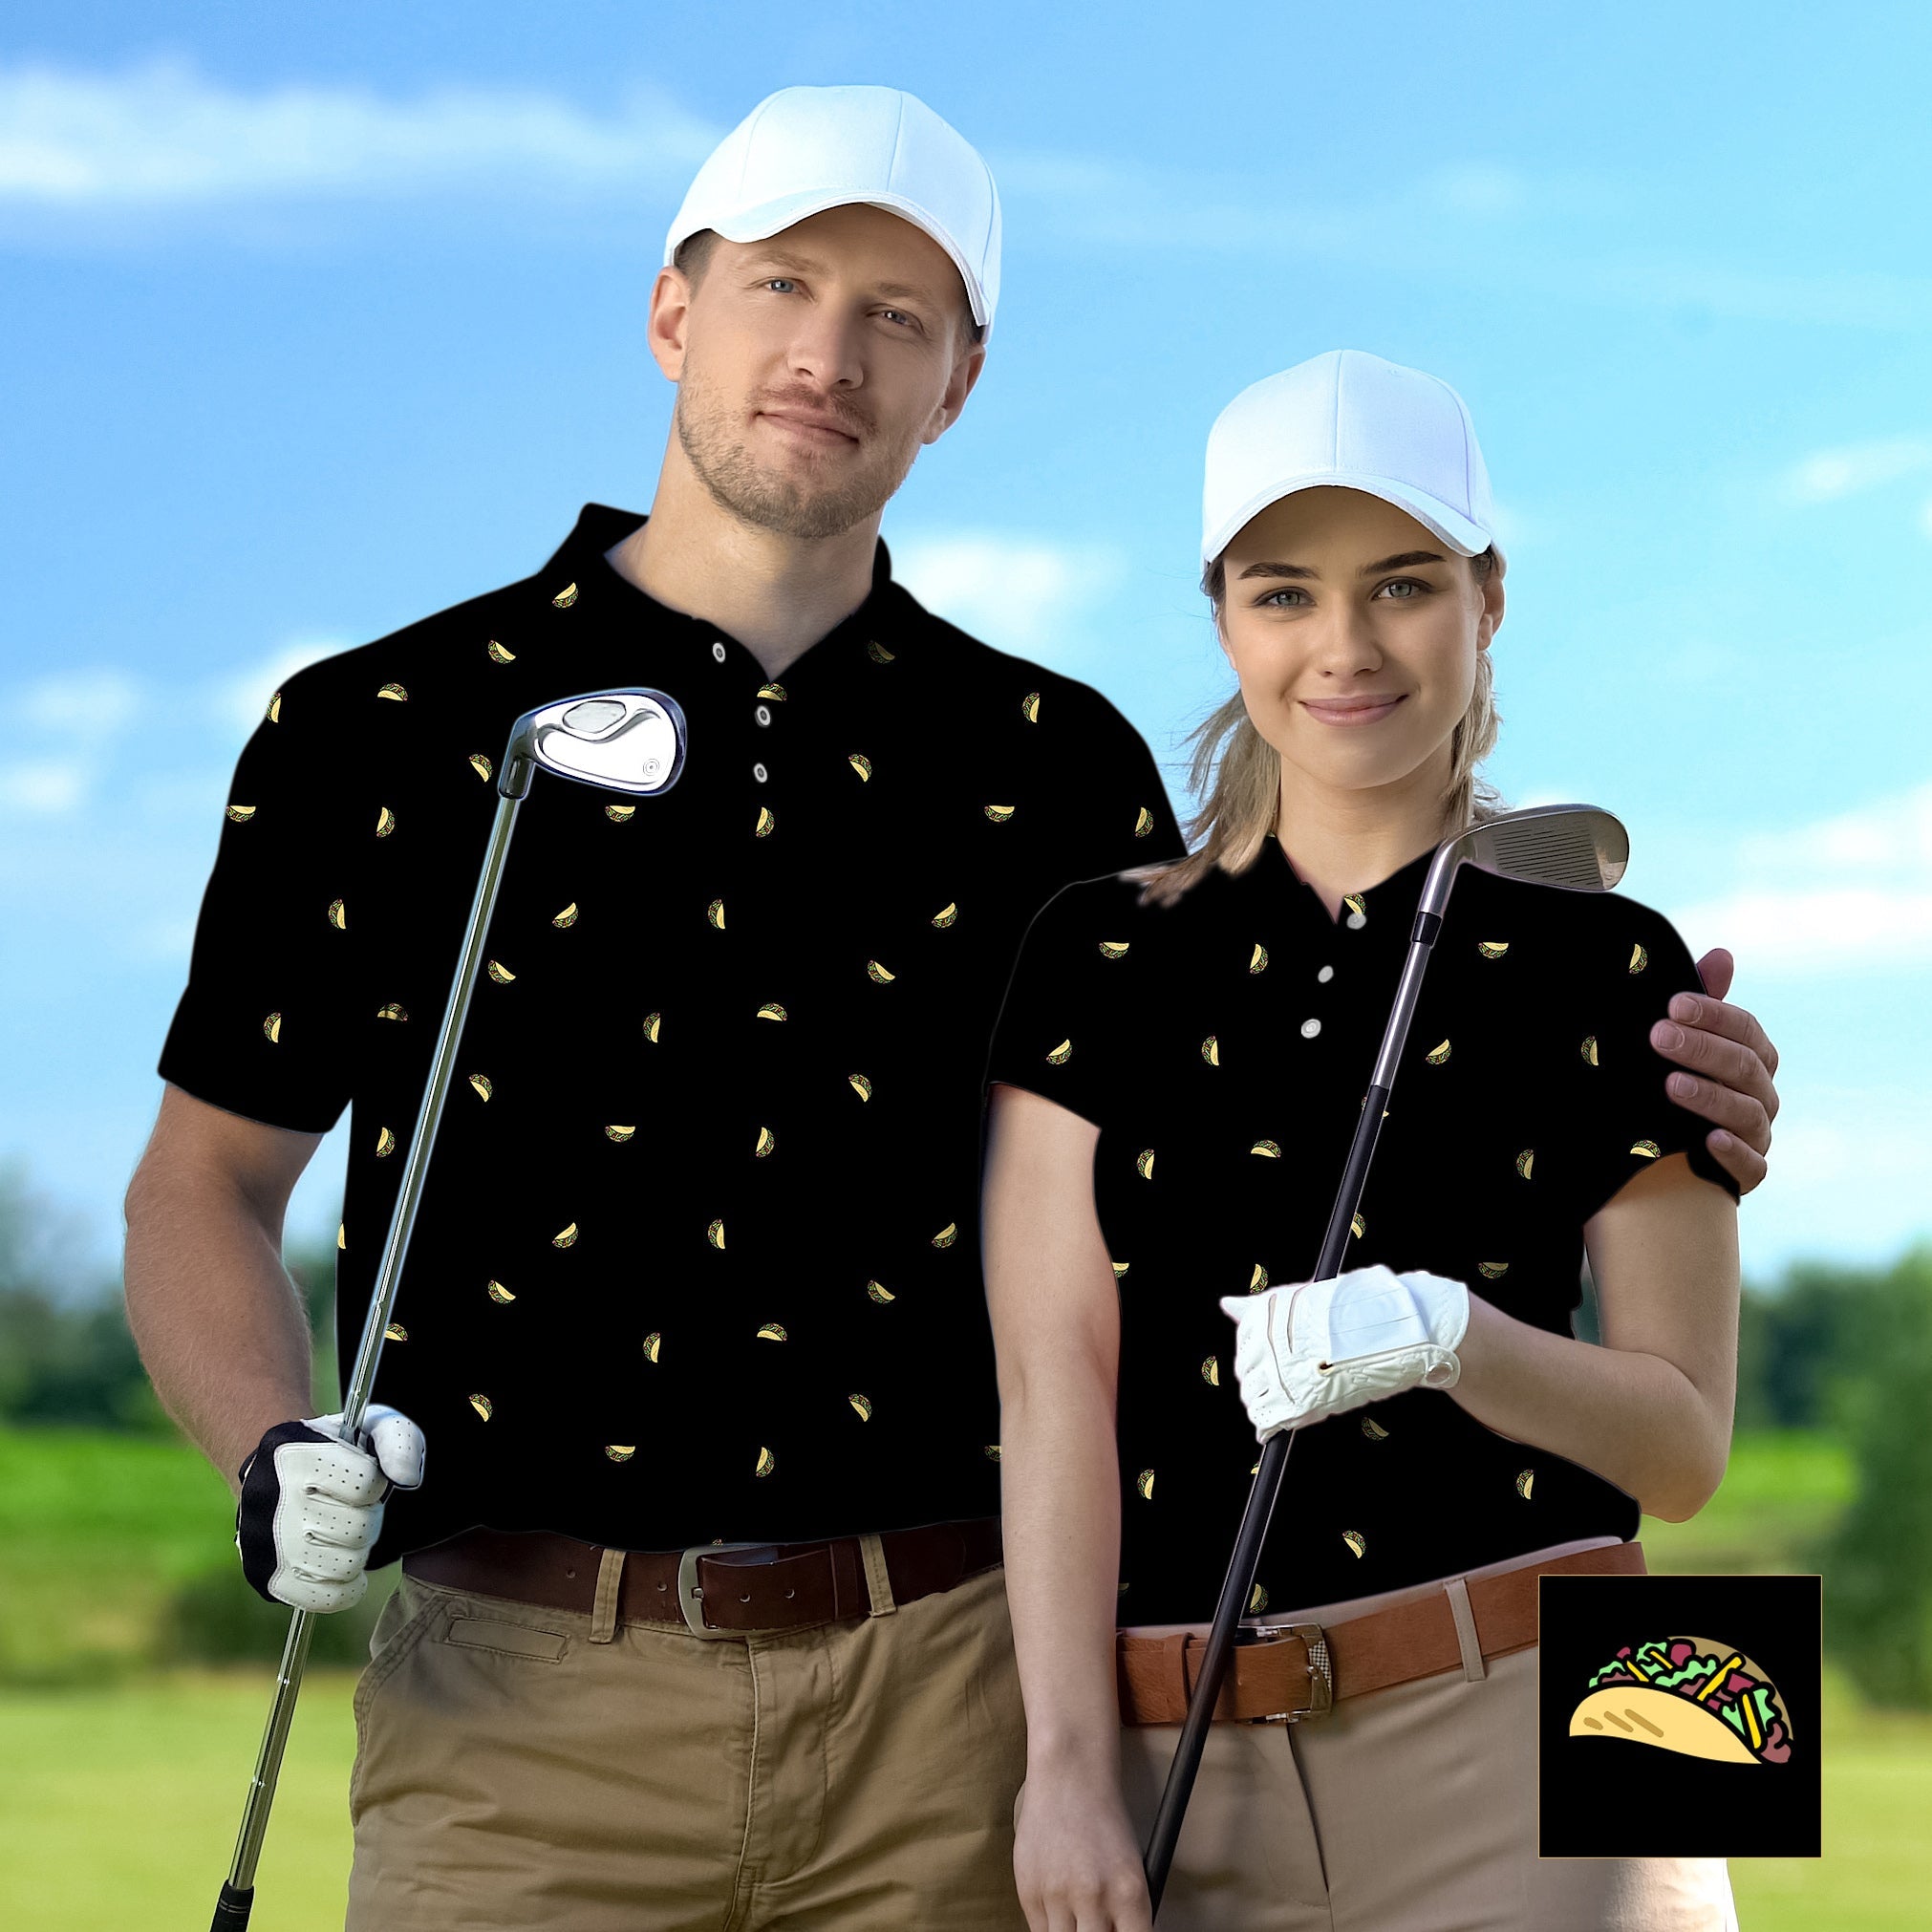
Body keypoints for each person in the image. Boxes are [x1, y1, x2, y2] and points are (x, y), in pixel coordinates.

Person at [117, 78, 1776, 1923]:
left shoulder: (1056, 768)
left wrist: (1645, 1077)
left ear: (960, 381)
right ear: (673, 308)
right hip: (516, 1702)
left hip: (973, 1688)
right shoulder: (385, 728)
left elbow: (1624, 1430)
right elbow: (200, 1186)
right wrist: (272, 1453)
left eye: (895, 317)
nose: (828, 354)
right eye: (781, 287)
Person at [982, 350, 1761, 1930]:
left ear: (1485, 599)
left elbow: (1682, 1459)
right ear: (1220, 617)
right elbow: (1048, 1386)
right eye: (1284, 593)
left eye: (1401, 583)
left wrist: (1446, 1336)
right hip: (1181, 1747)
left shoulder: (1617, 959)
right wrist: (1060, 1765)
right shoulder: (1090, 954)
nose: (1343, 646)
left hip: (1595, 1687)